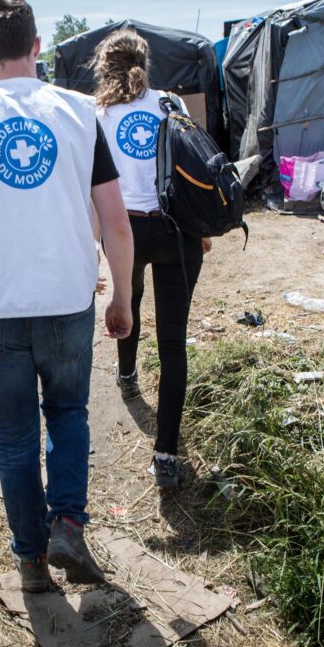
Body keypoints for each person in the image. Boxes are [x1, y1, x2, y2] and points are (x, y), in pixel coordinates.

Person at [0, 0, 134, 592]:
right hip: (67, 299)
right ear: (37, 46)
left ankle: (31, 562)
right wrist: (121, 297)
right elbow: (116, 223)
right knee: (67, 413)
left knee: (14, 435)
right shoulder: (80, 114)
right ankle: (67, 521)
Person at [93, 29, 211, 489]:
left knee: (129, 300)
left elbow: (91, 191)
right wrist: (202, 229)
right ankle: (165, 455)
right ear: (145, 63)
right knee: (173, 342)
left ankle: (126, 375)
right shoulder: (170, 103)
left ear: (106, 67)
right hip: (177, 229)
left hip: (125, 230)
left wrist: (90, 247)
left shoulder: (99, 115)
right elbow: (193, 165)